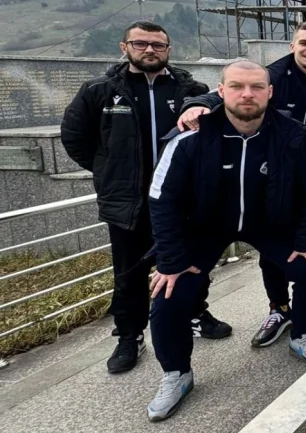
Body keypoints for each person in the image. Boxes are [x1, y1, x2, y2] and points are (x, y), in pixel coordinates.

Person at [145, 60, 306, 421]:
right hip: (207, 226)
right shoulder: (189, 138)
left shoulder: (295, 136)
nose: (247, 94)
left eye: (256, 87)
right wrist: (170, 261)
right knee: (169, 292)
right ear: (221, 91)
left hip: (270, 222)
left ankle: (302, 335)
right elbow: (162, 200)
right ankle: (177, 373)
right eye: (237, 86)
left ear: (270, 92)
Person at [60, 21, 231, 375]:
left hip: (181, 199)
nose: (149, 50)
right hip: (128, 201)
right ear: (124, 47)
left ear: (168, 50)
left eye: (158, 44)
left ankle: (195, 313)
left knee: (191, 263)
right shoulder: (100, 90)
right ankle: (130, 335)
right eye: (141, 43)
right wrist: (109, 170)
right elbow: (75, 137)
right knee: (129, 273)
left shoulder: (190, 89)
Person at [178, 22, 306, 346]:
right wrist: (196, 105)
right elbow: (235, 92)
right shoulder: (274, 76)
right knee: (271, 247)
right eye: (304, 43)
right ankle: (279, 307)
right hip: (272, 172)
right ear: (292, 46)